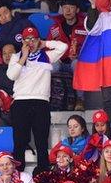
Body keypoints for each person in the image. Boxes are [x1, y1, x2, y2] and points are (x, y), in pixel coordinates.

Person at [7, 26, 68, 173]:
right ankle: (18, 172)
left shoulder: (47, 56)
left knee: (41, 140)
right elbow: (11, 75)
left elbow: (63, 47)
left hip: (41, 102)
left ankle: (43, 172)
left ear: (38, 40)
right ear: (22, 41)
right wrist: (23, 57)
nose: (30, 42)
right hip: (21, 101)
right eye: (27, 39)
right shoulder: (16, 57)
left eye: (33, 39)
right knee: (20, 140)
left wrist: (45, 43)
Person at [46, 0, 87, 110]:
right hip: (59, 62)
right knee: (48, 67)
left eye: (71, 8)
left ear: (77, 10)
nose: (68, 11)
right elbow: (47, 47)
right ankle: (47, 100)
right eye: (65, 8)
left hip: (77, 61)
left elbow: (91, 47)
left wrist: (80, 56)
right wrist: (54, 57)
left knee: (77, 65)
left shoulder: (85, 26)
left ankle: (80, 100)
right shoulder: (55, 28)